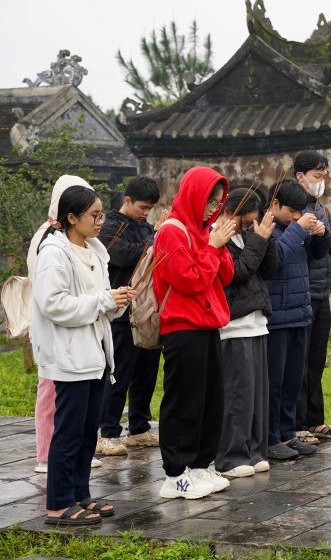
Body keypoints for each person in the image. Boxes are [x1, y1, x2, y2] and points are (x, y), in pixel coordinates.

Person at [32, 186, 133, 525]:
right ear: (71, 218)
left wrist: (116, 301)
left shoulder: (94, 250)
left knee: (88, 430)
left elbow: (99, 304)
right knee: (69, 430)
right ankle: (58, 504)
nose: (100, 221)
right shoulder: (54, 253)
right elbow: (53, 304)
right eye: (94, 215)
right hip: (69, 355)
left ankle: (79, 493)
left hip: (96, 354)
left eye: (101, 214)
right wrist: (103, 302)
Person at [154, 167, 237, 499]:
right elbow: (189, 279)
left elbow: (226, 275)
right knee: (184, 401)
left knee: (210, 400)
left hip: (207, 325)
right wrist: (211, 246)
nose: (212, 209)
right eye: (208, 202)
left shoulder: (203, 231)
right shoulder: (171, 232)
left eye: (217, 203)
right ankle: (176, 472)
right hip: (181, 327)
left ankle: (202, 463)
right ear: (193, 196)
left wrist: (218, 243)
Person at [26, 175, 102, 475]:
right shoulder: (48, 240)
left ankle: (61, 461)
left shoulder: (77, 240)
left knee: (70, 406)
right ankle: (45, 453)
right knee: (50, 393)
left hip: (77, 328)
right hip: (54, 331)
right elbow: (50, 295)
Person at [96, 176, 167, 456]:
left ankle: (139, 426)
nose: (145, 212)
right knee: (119, 372)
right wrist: (156, 239)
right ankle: (108, 431)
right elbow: (124, 256)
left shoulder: (146, 227)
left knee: (146, 373)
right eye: (141, 207)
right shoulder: (111, 226)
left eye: (149, 208)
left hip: (147, 310)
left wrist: (155, 236)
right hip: (122, 311)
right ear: (127, 200)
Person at [265, 179, 331, 460]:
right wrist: (298, 228)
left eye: (299, 211)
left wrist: (321, 234)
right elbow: (275, 258)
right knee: (275, 382)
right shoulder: (265, 227)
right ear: (275, 204)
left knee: (294, 379)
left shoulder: (294, 227)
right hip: (277, 316)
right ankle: (270, 437)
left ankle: (287, 432)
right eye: (292, 211)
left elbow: (317, 255)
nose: (296, 216)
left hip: (299, 311)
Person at [216, 188, 278, 477]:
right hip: (232, 325)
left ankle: (254, 450)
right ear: (231, 212)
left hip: (256, 322)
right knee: (237, 394)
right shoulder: (218, 237)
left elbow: (270, 268)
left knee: (256, 394)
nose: (249, 225)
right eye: (246, 220)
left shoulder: (247, 235)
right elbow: (237, 273)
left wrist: (267, 238)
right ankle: (231, 455)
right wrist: (258, 241)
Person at [293, 151, 331, 441]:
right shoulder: (294, 210)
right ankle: (297, 423)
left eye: (324, 176)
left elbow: (329, 255)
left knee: (316, 360)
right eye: (317, 175)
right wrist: (328, 237)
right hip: (301, 293)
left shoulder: (323, 210)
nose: (321, 181)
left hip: (321, 291)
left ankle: (315, 419)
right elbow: (296, 249)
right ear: (300, 177)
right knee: (299, 362)